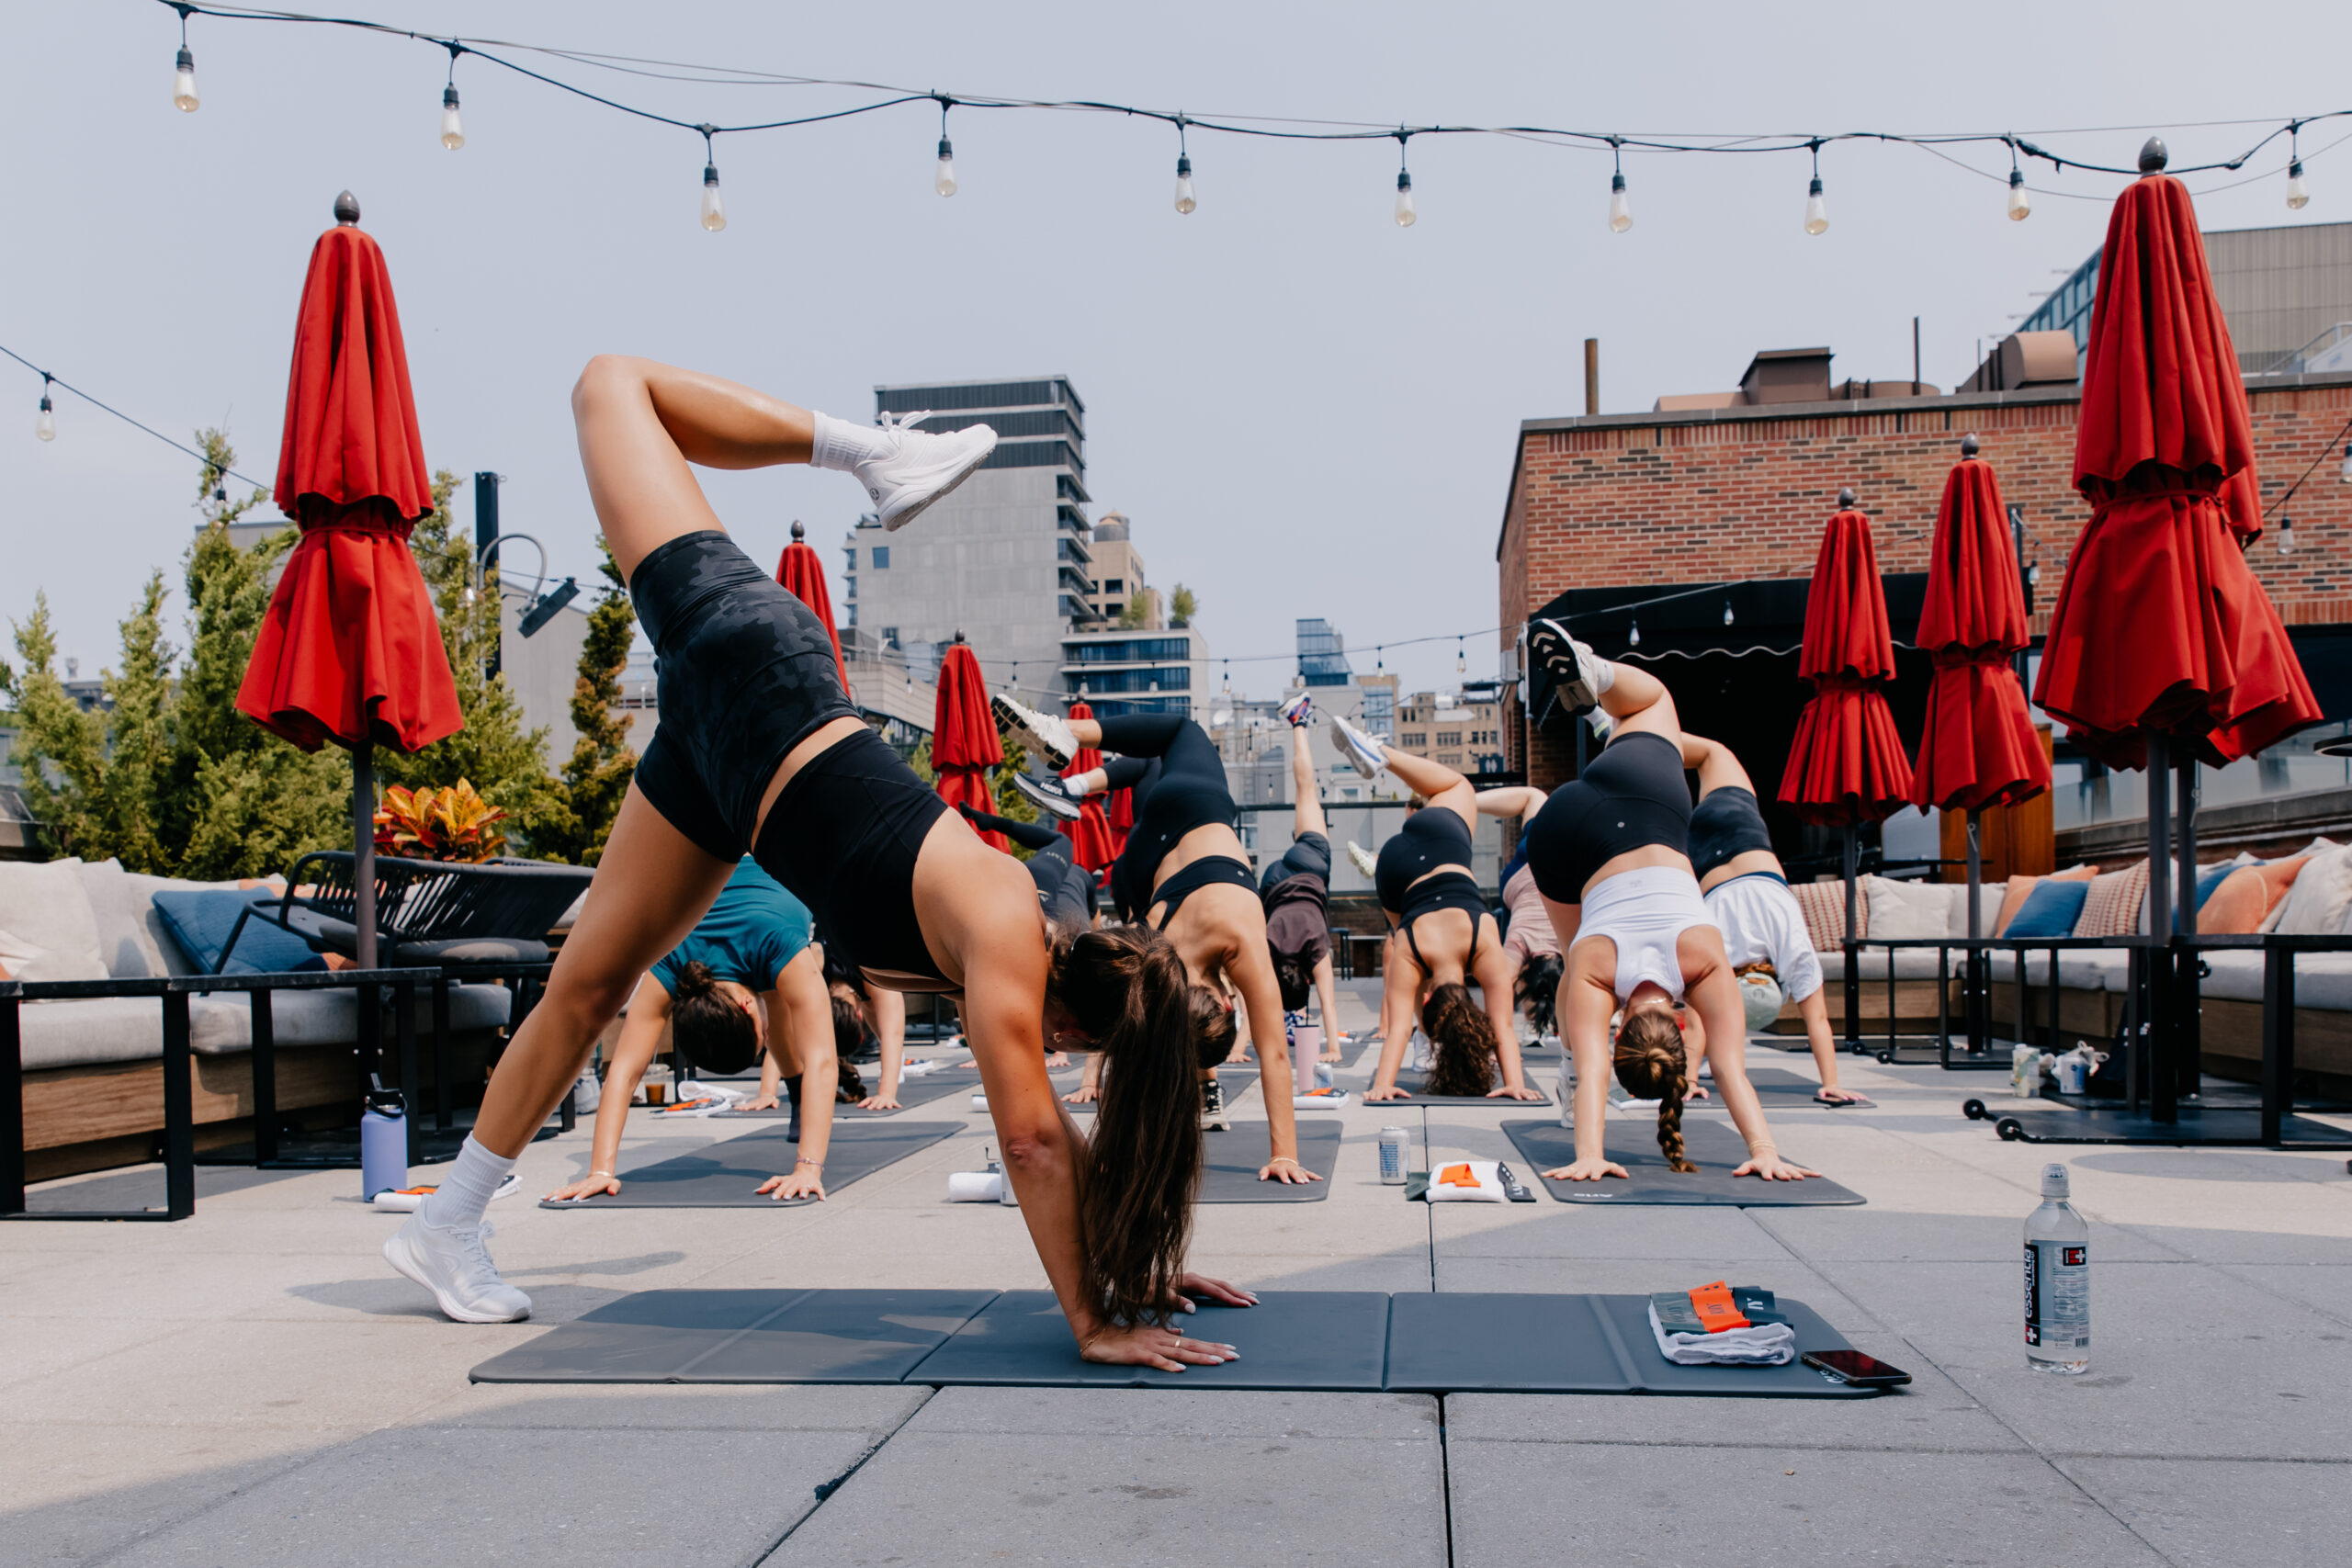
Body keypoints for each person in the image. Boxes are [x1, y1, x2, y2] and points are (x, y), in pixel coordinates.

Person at [383, 357, 1250, 1370]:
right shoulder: (1010, 927)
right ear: (1067, 1018)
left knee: (587, 989)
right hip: (757, 679)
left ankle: (445, 1224)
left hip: (726, 773)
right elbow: (1034, 1144)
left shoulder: (1006, 951)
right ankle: (874, 453)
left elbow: (1051, 1135)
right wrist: (1096, 1323)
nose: (1050, 1062)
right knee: (609, 386)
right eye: (1068, 1049)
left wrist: (1138, 1272)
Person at [1517, 622, 1816, 1183]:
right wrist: (1589, 1156)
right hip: (1561, 830)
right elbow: (1594, 1069)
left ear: (1681, 1025)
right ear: (1620, 1027)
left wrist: (1765, 1148)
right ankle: (1608, 720)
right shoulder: (1601, 975)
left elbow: (1728, 1068)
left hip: (1642, 797)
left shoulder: (1702, 962)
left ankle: (1599, 676)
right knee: (1568, 958)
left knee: (1654, 700)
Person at [1001, 697, 1317, 1182]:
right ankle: (1073, 787)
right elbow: (1130, 1075)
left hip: (1192, 814)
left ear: (1228, 1006)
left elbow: (1274, 1052)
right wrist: (1117, 1153)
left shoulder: (1240, 939)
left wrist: (1287, 1152)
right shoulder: (1151, 968)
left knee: (1176, 734)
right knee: (1145, 769)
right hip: (1140, 870)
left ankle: (1069, 741)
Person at [544, 859, 857, 1201]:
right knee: (776, 1001)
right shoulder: (673, 955)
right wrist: (599, 1172)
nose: (765, 1037)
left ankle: (798, 1096)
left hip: (774, 856)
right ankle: (798, 1096)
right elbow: (623, 1070)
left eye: (759, 1038)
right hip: (730, 886)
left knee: (779, 1009)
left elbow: (822, 1061)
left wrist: (809, 1168)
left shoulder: (778, 946)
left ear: (745, 1008)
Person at [1329, 721, 1540, 1102]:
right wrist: (1382, 1085)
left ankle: (1384, 754)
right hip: (1395, 874)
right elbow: (1396, 1029)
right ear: (1428, 1003)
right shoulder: (1412, 950)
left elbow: (1504, 1026)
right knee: (1401, 935)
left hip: (1438, 842)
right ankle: (1426, 1044)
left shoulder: (1485, 939)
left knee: (1458, 788)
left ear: (1470, 1003)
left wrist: (1516, 1082)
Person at [1679, 733, 1869, 1106]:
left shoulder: (1793, 951)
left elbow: (1819, 1022)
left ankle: (1633, 731)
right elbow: (1696, 1025)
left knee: (1713, 753)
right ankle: (1617, 737)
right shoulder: (1716, 962)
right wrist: (1687, 1079)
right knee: (1657, 774)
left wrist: (1831, 1080)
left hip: (1741, 834)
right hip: (1701, 859)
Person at [1259, 694, 1344, 1063]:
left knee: (1305, 790)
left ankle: (1298, 722)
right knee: (1308, 798)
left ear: (1303, 981)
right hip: (1271, 884)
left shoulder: (1316, 949)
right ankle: (1297, 724)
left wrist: (1335, 1049)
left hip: (1309, 868)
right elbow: (1255, 994)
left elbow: (1328, 1001)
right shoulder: (1268, 948)